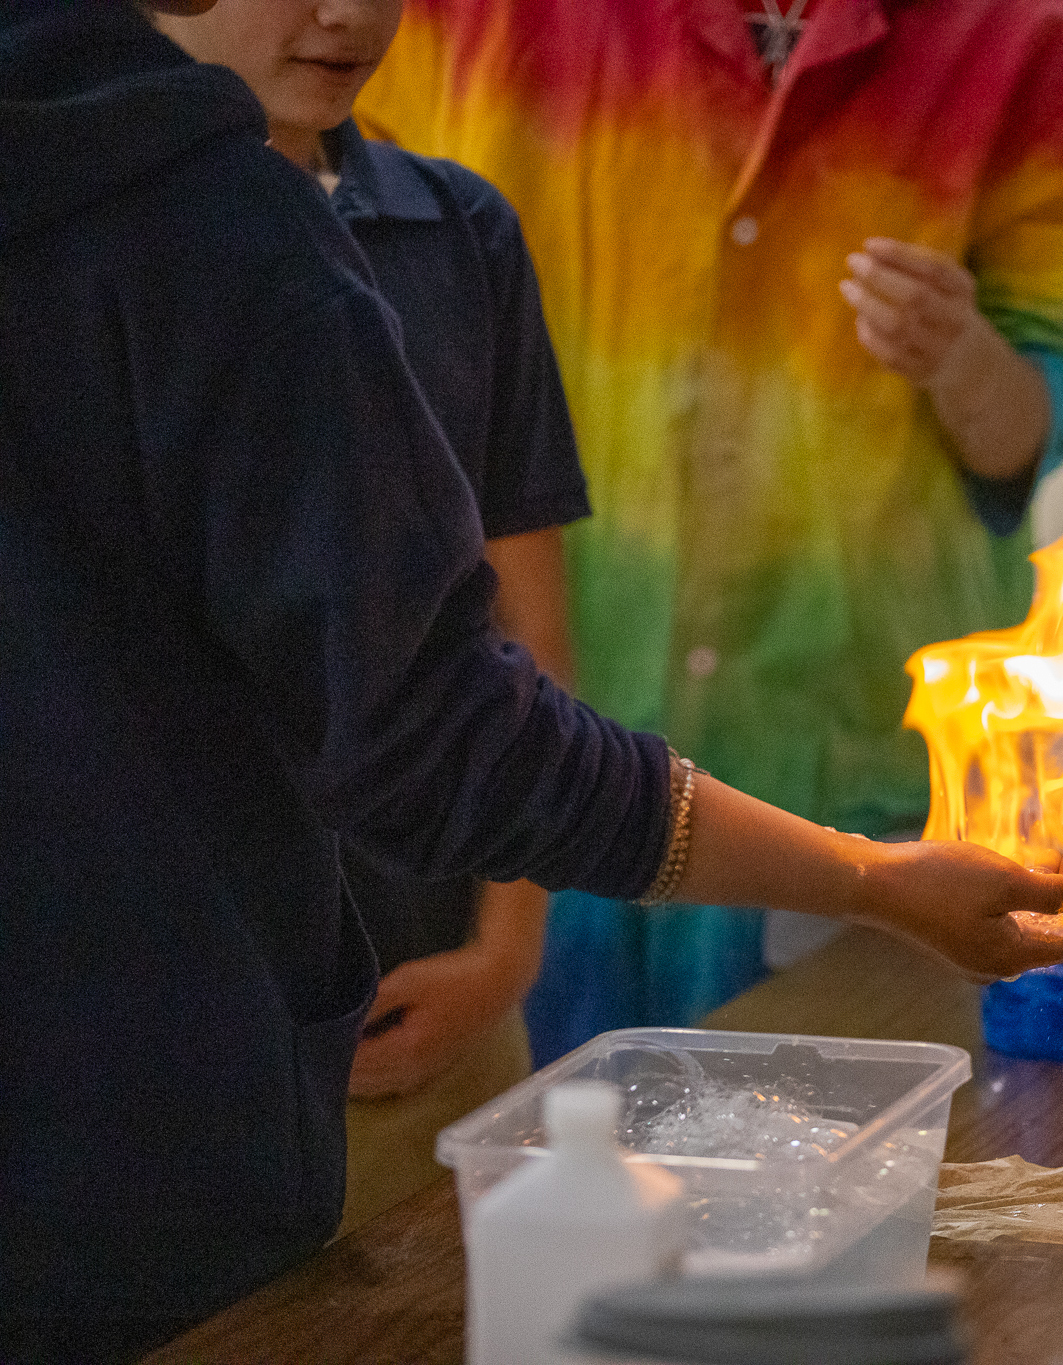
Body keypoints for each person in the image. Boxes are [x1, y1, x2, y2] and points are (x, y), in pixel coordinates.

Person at [0, 2, 1063, 1357]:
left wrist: (508, 944)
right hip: (134, 1158)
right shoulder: (221, 237)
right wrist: (867, 879)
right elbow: (446, 738)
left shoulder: (411, 233)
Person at [355, 0, 1063, 1059]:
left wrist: (960, 357)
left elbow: (1037, 410)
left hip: (846, 763)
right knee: (534, 1181)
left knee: (870, 1172)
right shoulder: (466, 21)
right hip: (534, 761)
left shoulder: (1024, 40)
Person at [151, 0, 597, 1233]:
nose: (343, 14)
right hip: (184, 1027)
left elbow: (526, 630)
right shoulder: (100, 247)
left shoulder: (459, 232)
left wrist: (506, 953)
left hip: (436, 991)